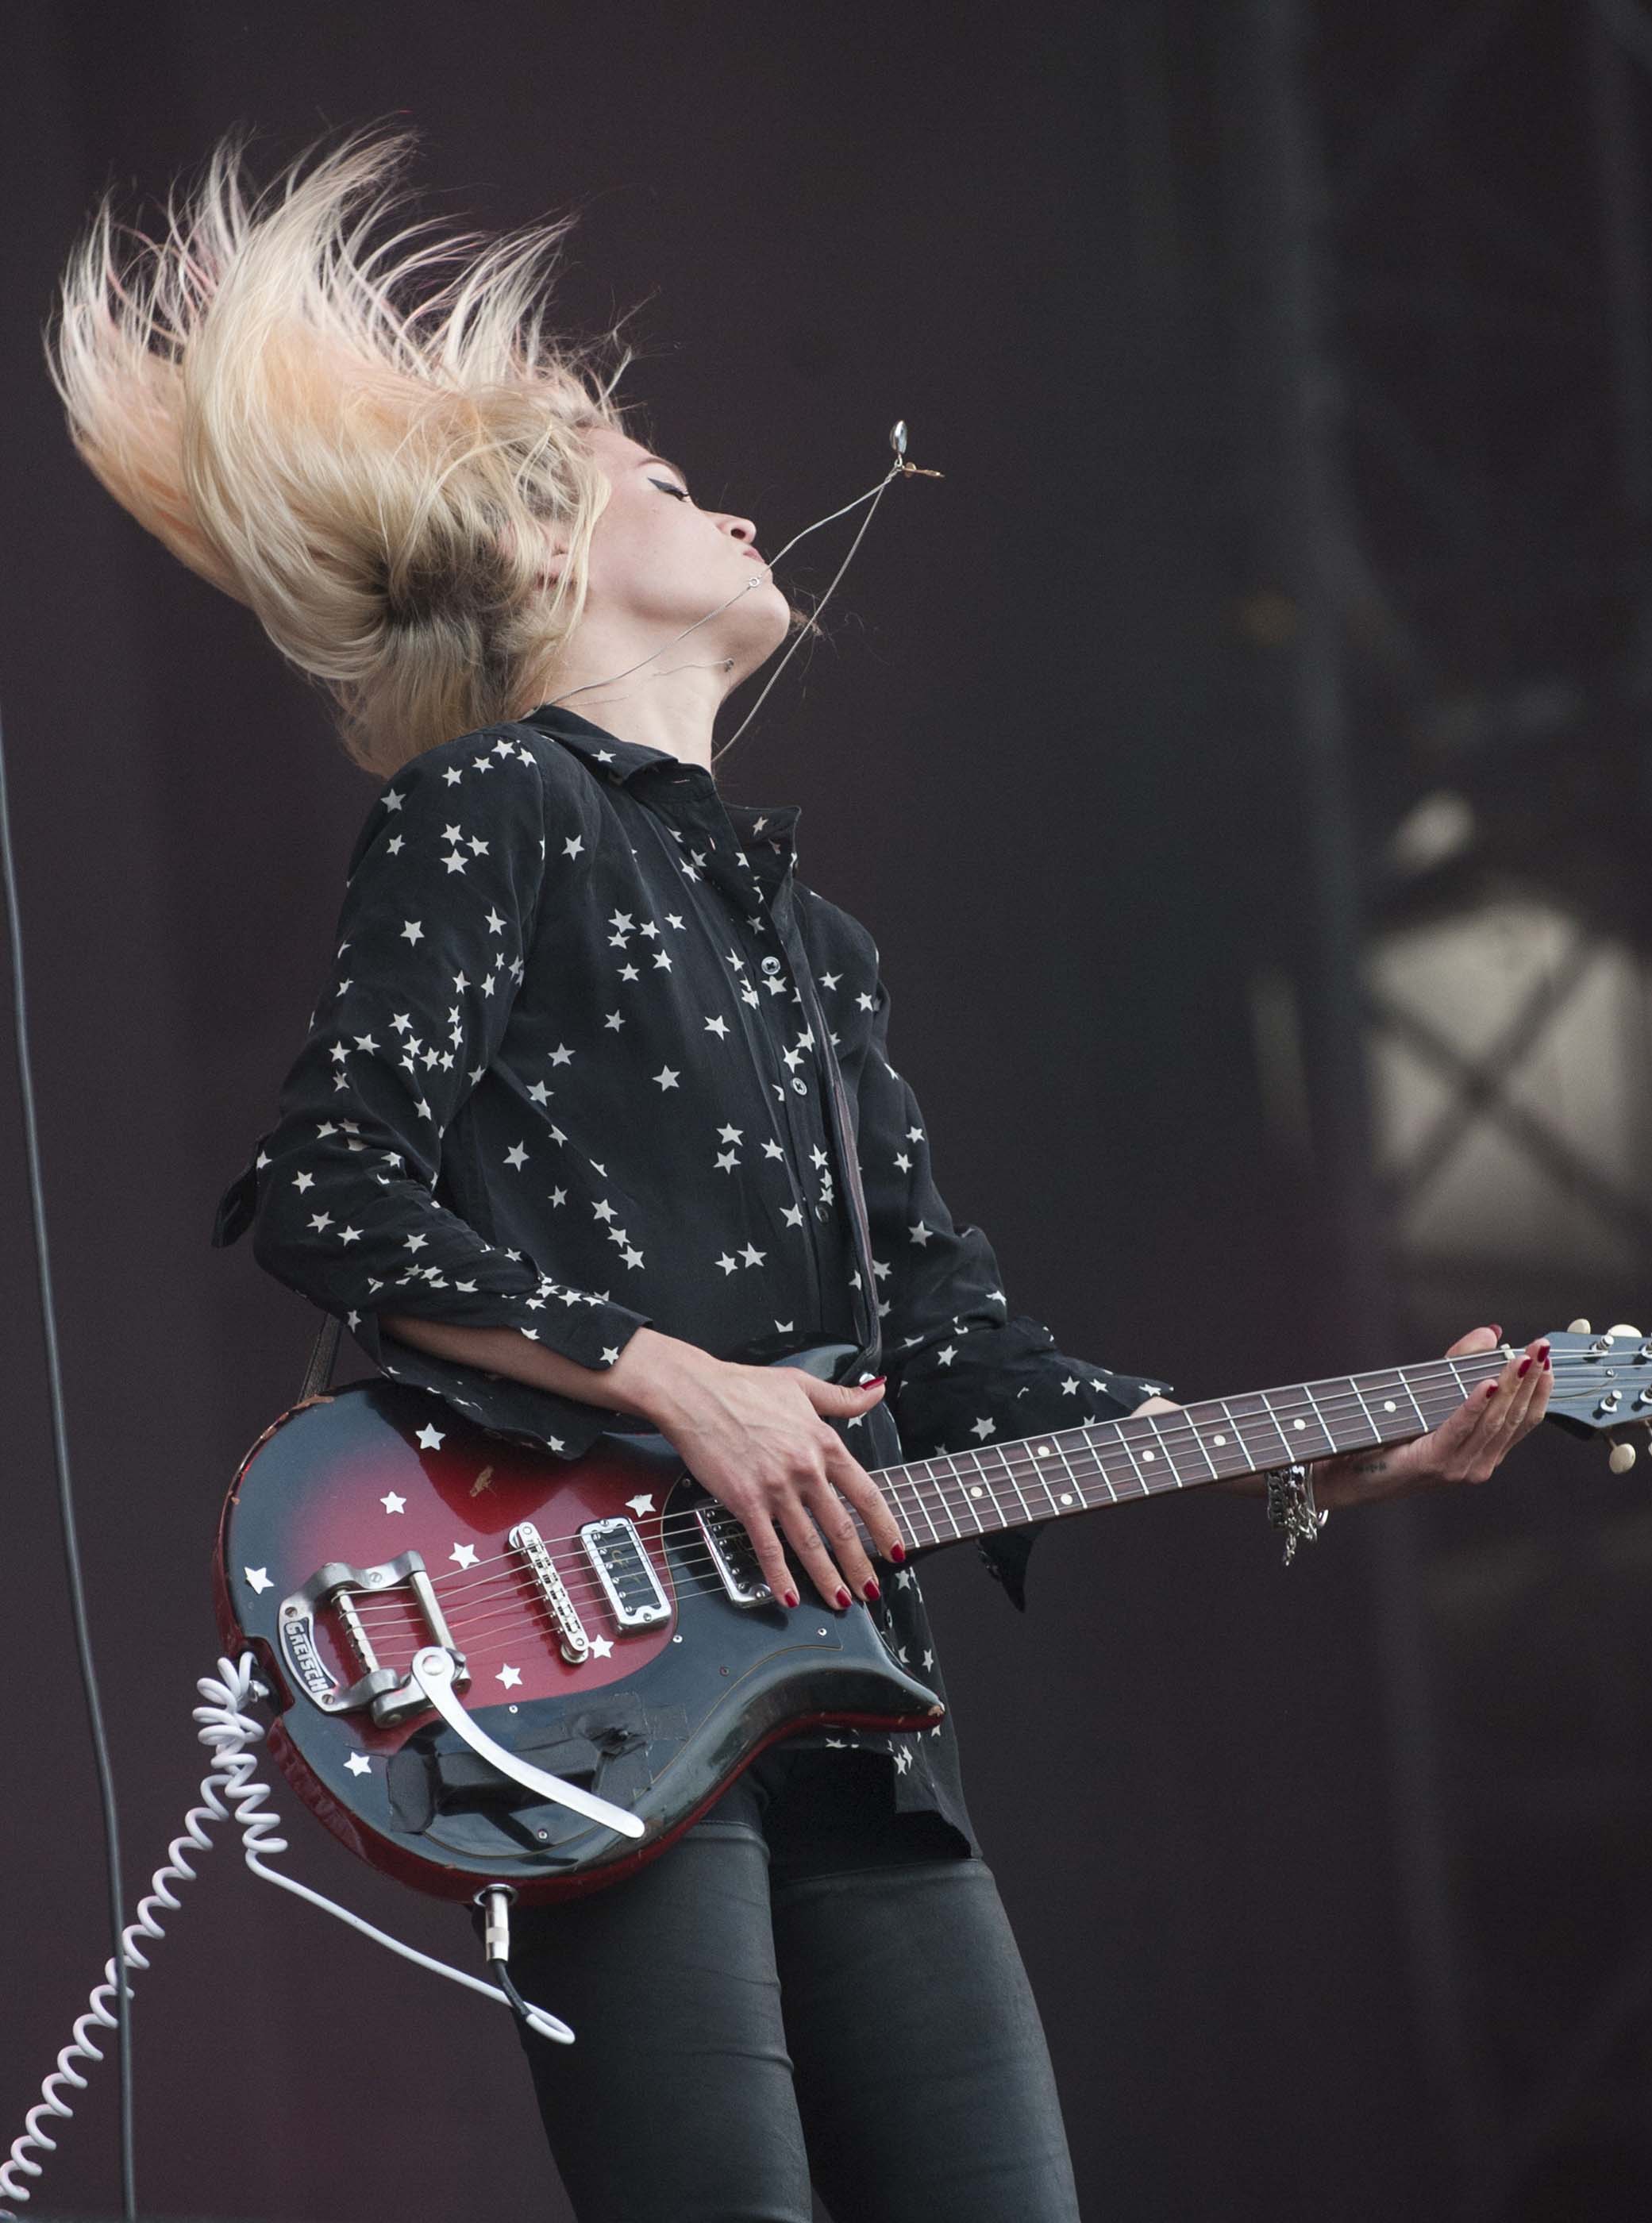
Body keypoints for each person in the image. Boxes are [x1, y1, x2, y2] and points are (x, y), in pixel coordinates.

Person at [48, 125, 1553, 2223]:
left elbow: (963, 1356)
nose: (741, 503)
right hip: (578, 1670)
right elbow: (331, 1191)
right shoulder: (498, 810)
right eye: (669, 480)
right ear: (551, 556)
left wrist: (1323, 1459)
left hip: (851, 1706)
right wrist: (680, 1382)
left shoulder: (807, 944)